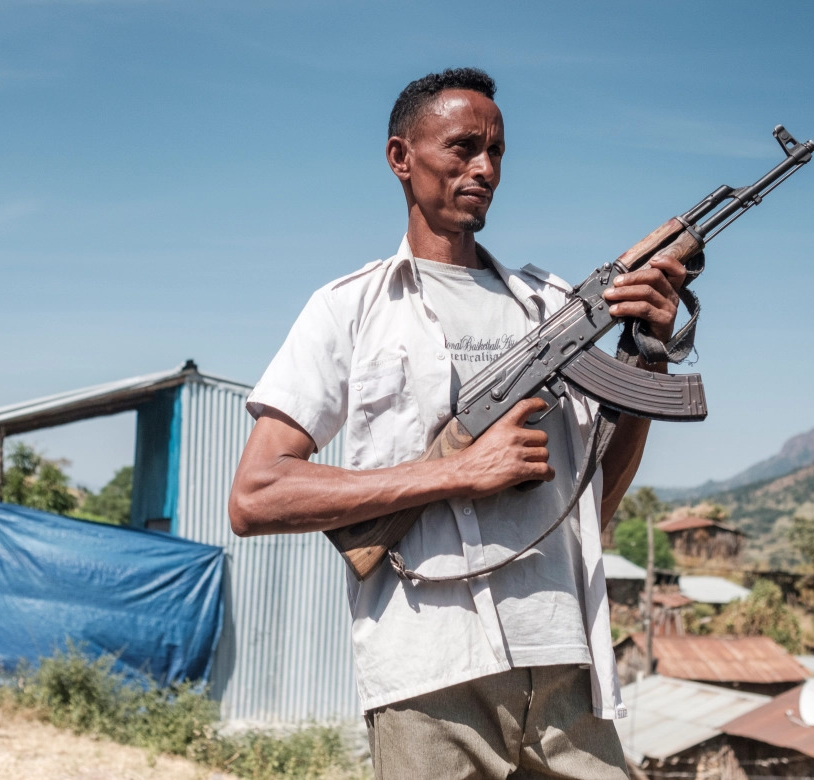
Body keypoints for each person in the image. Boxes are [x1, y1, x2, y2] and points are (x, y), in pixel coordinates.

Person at [229, 68, 686, 779]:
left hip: (565, 664)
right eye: (463, 147)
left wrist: (646, 357)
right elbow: (256, 494)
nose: (485, 168)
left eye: (497, 151)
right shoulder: (350, 308)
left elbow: (596, 498)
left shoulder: (551, 305)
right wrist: (454, 473)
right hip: (428, 674)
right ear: (399, 158)